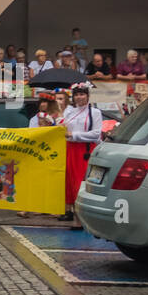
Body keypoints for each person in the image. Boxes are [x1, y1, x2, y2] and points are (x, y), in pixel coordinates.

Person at [62, 82, 103, 229]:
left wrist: (74, 135)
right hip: (70, 150)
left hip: (85, 151)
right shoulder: (69, 112)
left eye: (82, 94)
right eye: (77, 94)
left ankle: (82, 220)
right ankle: (75, 215)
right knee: (71, 183)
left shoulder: (95, 113)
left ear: (88, 95)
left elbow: (96, 134)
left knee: (81, 184)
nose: (79, 97)